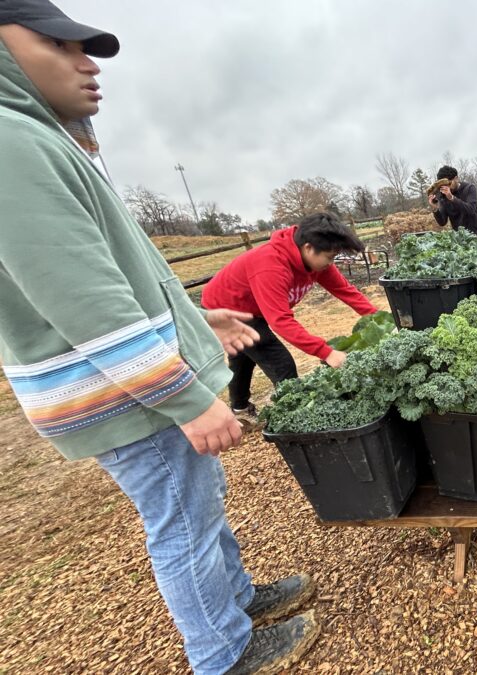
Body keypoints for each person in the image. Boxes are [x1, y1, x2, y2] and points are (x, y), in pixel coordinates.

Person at [0, 2, 320, 673]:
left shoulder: (38, 137)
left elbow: (117, 274)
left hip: (130, 385)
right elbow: (84, 301)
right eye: (60, 44)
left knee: (199, 503)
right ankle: (223, 653)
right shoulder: (9, 141)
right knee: (183, 520)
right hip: (124, 396)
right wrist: (185, 398)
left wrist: (199, 319)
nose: (88, 64)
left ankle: (235, 601)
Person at [201, 212, 378, 422]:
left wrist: (380, 318)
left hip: (252, 307)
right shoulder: (271, 265)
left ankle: (240, 410)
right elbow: (281, 320)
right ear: (308, 247)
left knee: (242, 358)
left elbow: (346, 291)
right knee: (280, 363)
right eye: (330, 257)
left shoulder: (317, 262)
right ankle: (296, 417)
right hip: (228, 309)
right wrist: (326, 352)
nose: (331, 263)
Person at [428, 164, 477, 243]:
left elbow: (471, 210)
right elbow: (442, 222)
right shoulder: (443, 196)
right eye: (443, 186)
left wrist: (452, 198)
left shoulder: (469, 188)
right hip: (460, 239)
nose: (447, 188)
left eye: (449, 184)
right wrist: (435, 208)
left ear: (456, 178)